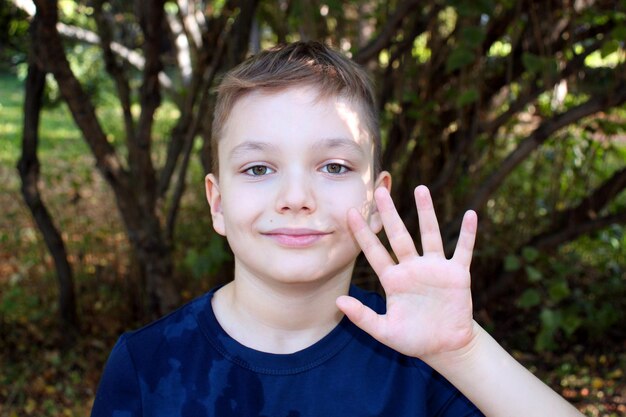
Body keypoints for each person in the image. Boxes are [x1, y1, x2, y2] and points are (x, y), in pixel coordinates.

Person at [91, 41, 583, 417]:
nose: (296, 197)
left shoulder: (421, 358)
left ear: (376, 201)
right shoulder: (146, 365)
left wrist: (464, 352)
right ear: (217, 203)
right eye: (259, 169)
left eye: (334, 167)